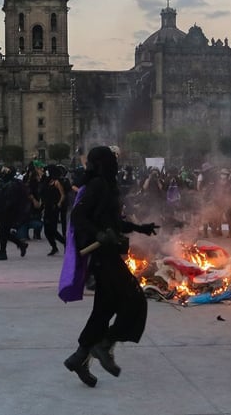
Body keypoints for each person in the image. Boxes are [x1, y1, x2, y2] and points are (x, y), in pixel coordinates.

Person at [63, 146, 156, 387]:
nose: (116, 162)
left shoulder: (106, 185)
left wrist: (139, 228)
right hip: (103, 257)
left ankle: (79, 357)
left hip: (108, 253)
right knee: (135, 299)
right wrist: (98, 234)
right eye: (112, 159)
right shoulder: (97, 186)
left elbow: (112, 221)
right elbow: (78, 217)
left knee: (104, 309)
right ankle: (104, 344)